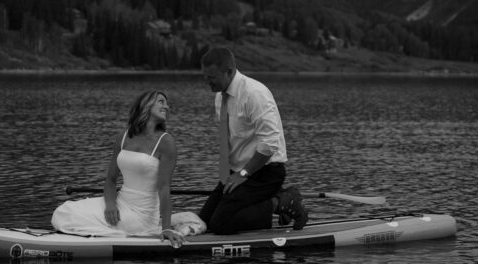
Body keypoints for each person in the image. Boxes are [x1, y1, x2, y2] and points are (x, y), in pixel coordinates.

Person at [52, 90, 203, 247]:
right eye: (161, 101)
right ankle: (103, 229)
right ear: (146, 104)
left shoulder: (166, 141)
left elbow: (164, 189)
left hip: (142, 214)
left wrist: (166, 228)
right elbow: (110, 180)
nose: (167, 106)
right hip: (120, 202)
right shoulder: (123, 137)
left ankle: (109, 233)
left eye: (167, 103)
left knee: (69, 217)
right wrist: (111, 204)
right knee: (63, 211)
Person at [198, 46, 308, 234]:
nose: (207, 81)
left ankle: (281, 202)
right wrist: (236, 174)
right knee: (205, 223)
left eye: (211, 77)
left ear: (229, 72)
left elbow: (271, 142)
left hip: (265, 173)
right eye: (205, 76)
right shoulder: (220, 97)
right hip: (237, 172)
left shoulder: (254, 93)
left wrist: (243, 175)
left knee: (220, 224)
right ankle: (269, 203)